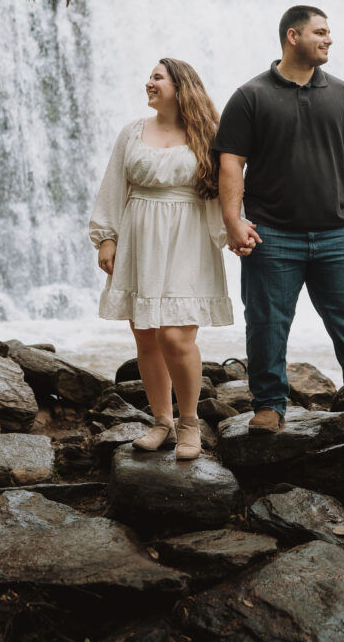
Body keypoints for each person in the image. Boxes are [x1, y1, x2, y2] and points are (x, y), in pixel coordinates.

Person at [214, 5, 344, 439]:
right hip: (272, 235)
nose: (329, 39)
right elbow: (230, 162)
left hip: (339, 233)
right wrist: (232, 220)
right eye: (321, 32)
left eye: (330, 32)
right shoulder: (250, 95)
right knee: (267, 323)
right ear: (293, 36)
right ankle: (269, 407)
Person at [89, 58, 233, 460]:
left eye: (157, 77)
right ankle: (161, 423)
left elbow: (230, 184)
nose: (148, 82)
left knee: (175, 335)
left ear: (179, 85)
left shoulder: (208, 132)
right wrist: (106, 237)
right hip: (139, 235)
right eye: (149, 76)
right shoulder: (133, 132)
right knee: (146, 336)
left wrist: (236, 228)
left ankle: (189, 423)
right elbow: (113, 184)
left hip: (188, 237)